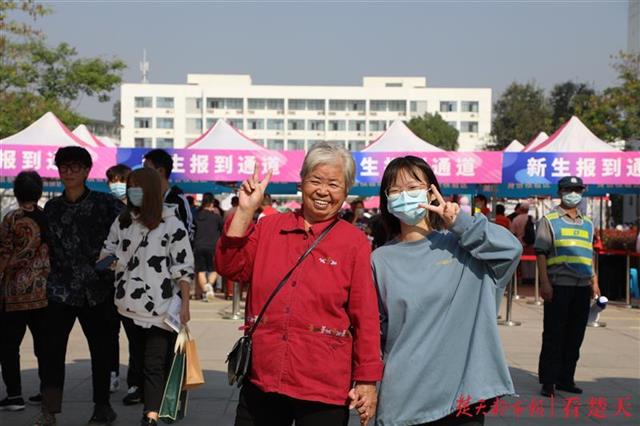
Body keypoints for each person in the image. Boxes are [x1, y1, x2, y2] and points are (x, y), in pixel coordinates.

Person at [216, 142, 383, 426]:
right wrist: (244, 211)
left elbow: (365, 316)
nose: (323, 191)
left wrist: (366, 379)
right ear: (301, 183)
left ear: (345, 192)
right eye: (315, 180)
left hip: (323, 384)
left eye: (334, 184)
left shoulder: (354, 242)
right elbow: (230, 267)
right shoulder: (269, 228)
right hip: (264, 375)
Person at [372, 156, 521, 426]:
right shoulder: (379, 260)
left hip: (462, 398)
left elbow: (510, 250)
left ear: (432, 191)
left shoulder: (464, 246)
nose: (404, 196)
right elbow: (374, 331)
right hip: (404, 397)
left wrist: (460, 223)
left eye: (413, 187)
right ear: (387, 200)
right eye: (395, 190)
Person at [99, 167, 194, 426]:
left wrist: (185, 304)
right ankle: (154, 402)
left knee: (154, 361)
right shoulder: (123, 221)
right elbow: (106, 252)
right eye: (130, 186)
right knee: (139, 358)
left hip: (161, 308)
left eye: (138, 187)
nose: (132, 191)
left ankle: (150, 414)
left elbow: (184, 267)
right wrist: (113, 260)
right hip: (128, 305)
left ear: (151, 190)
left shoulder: (172, 223)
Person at [38, 146, 122, 426]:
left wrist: (105, 267)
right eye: (64, 167)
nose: (69, 172)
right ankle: (49, 410)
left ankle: (102, 406)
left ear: (87, 170)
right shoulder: (52, 208)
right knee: (51, 351)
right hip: (60, 290)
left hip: (97, 291)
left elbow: (125, 238)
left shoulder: (106, 204)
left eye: (75, 167)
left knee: (101, 351)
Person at [536, 176, 599, 398]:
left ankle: (566, 379)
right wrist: (544, 283)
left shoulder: (588, 223)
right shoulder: (549, 220)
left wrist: (594, 281)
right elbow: (541, 253)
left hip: (582, 286)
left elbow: (589, 254)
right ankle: (549, 381)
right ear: (560, 192)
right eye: (568, 189)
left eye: (577, 190)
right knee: (554, 334)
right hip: (558, 285)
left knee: (575, 335)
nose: (573, 194)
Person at [0, 171, 50, 412]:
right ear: (39, 192)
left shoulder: (11, 219)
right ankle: (46, 391)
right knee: (44, 346)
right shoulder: (47, 217)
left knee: (9, 346)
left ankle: (14, 395)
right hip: (43, 292)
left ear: (16, 192)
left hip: (13, 295)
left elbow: (4, 253)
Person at [105, 163, 132, 393]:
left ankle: (135, 380)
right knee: (110, 332)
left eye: (119, 181)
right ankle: (112, 372)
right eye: (111, 181)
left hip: (134, 283)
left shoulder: (138, 210)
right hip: (110, 282)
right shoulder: (106, 207)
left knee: (135, 334)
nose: (115, 185)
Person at [142, 149, 194, 241]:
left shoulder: (178, 200)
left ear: (161, 171)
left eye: (147, 169)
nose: (143, 174)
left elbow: (188, 233)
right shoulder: (144, 199)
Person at [193, 192, 223, 301]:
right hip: (213, 246)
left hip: (198, 245)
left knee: (200, 271)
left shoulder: (196, 216)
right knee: (215, 269)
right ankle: (209, 285)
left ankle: (206, 290)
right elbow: (223, 230)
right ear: (211, 203)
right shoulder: (216, 217)